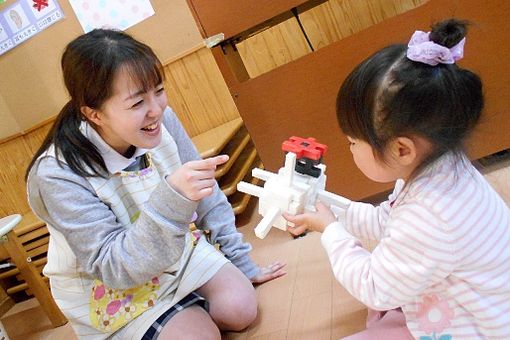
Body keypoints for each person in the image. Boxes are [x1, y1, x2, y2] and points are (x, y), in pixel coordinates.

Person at [26, 29, 285, 339]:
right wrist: (173, 197)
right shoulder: (57, 174)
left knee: (240, 309)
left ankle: (183, 309)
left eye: (159, 90)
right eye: (137, 103)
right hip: (109, 285)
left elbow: (207, 193)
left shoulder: (161, 118)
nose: (157, 109)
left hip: (175, 249)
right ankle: (174, 317)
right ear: (93, 114)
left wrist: (241, 261)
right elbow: (114, 267)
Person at [284, 19, 510, 339]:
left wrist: (331, 232)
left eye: (352, 142)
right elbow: (384, 220)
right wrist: (333, 213)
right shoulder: (440, 170)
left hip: (478, 328)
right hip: (471, 296)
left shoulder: (430, 215)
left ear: (402, 149)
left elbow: (374, 287)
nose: (348, 148)